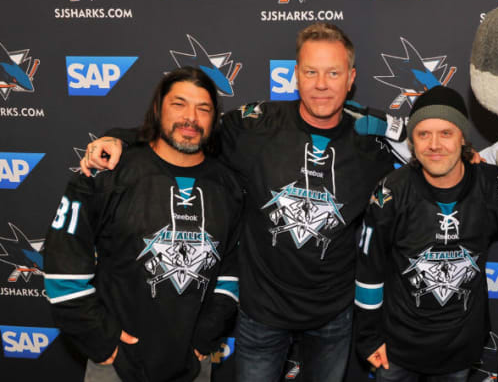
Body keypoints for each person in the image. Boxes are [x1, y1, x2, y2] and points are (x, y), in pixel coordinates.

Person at [78, 23, 396, 382]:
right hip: (260, 313)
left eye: (333, 72)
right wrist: (117, 138)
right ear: (295, 75)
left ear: (350, 78)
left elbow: (431, 153)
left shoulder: (372, 146)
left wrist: (470, 158)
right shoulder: (254, 127)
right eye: (311, 71)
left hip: (333, 316)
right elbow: (186, 129)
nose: (321, 83)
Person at [43, 67, 243, 382]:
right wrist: (100, 339)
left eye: (203, 108)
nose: (190, 117)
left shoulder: (229, 186)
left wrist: (206, 334)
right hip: (116, 366)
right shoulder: (108, 172)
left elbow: (233, 268)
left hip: (193, 365)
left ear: (214, 118)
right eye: (179, 104)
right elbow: (62, 265)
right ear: (157, 109)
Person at [354, 86, 498, 382]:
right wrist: (368, 337)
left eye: (446, 133)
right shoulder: (391, 192)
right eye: (424, 134)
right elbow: (368, 270)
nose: (434, 145)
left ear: (463, 137)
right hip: (396, 351)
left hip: (460, 352)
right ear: (411, 141)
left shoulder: (492, 187)